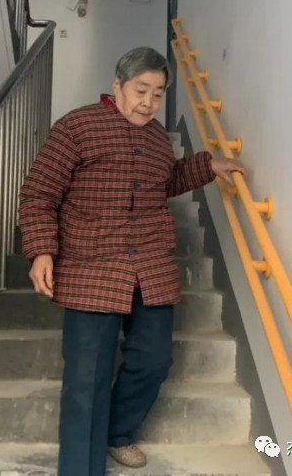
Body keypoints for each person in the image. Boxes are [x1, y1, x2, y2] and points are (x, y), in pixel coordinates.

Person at [18, 46, 245, 476]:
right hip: (92, 268)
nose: (148, 102)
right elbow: (39, 193)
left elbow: (167, 180)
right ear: (117, 85)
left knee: (153, 362)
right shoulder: (76, 127)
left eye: (158, 93)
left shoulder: (158, 138)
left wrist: (207, 166)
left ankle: (117, 432)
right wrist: (42, 250)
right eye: (141, 90)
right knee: (86, 381)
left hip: (150, 269)